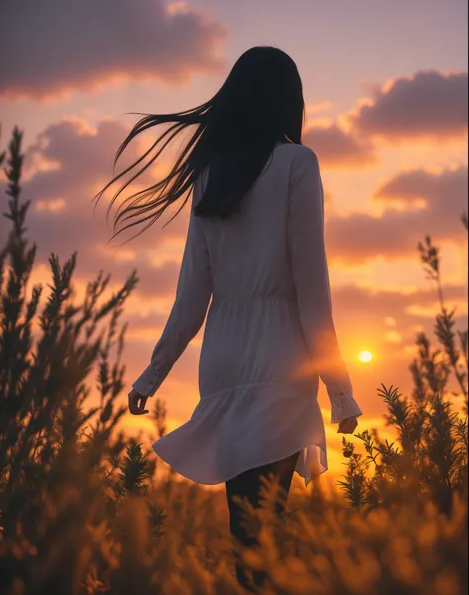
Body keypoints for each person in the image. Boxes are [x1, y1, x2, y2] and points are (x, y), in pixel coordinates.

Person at [95, 45, 363, 592]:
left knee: (247, 531)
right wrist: (340, 391)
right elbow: (313, 290)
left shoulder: (212, 174)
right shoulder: (297, 163)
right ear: (290, 101)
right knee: (264, 531)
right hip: (280, 364)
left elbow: (191, 295)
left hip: (221, 363)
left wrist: (152, 374)